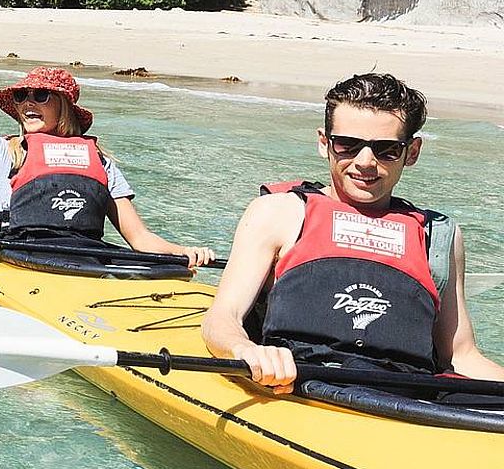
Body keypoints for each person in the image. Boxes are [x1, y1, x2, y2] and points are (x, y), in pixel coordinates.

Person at [202, 73, 504, 395]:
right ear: (324, 143)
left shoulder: (439, 236)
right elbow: (223, 317)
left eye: (387, 150)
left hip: (405, 397)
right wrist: (246, 350)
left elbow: (461, 355)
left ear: (412, 152)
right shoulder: (278, 213)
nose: (365, 162)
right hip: (296, 385)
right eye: (347, 145)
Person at [0, 10, 214, 267]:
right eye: (21, 95)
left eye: (41, 95)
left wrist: (184, 252)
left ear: (63, 106)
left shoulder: (100, 162)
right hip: (17, 257)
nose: (28, 103)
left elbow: (140, 239)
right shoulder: (3, 152)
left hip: (84, 260)